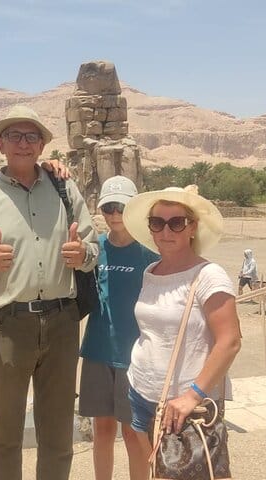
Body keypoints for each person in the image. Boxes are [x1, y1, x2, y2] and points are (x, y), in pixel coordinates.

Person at [0, 105, 99, 480]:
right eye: (14, 136)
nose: (23, 143)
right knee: (4, 434)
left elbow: (93, 248)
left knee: (58, 433)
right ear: (0, 144)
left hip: (62, 321)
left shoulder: (65, 189)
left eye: (31, 136)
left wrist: (83, 255)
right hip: (7, 326)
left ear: (41, 145)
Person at [120, 185, 242, 477]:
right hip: (141, 392)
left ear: (192, 227)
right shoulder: (151, 271)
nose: (166, 231)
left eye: (176, 222)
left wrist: (192, 395)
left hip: (185, 404)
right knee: (153, 470)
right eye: (157, 222)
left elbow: (230, 341)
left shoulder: (208, 275)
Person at [78, 176, 159, 480]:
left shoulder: (149, 253)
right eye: (108, 207)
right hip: (98, 350)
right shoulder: (95, 249)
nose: (114, 215)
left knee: (133, 432)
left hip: (134, 354)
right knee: (101, 429)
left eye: (121, 208)